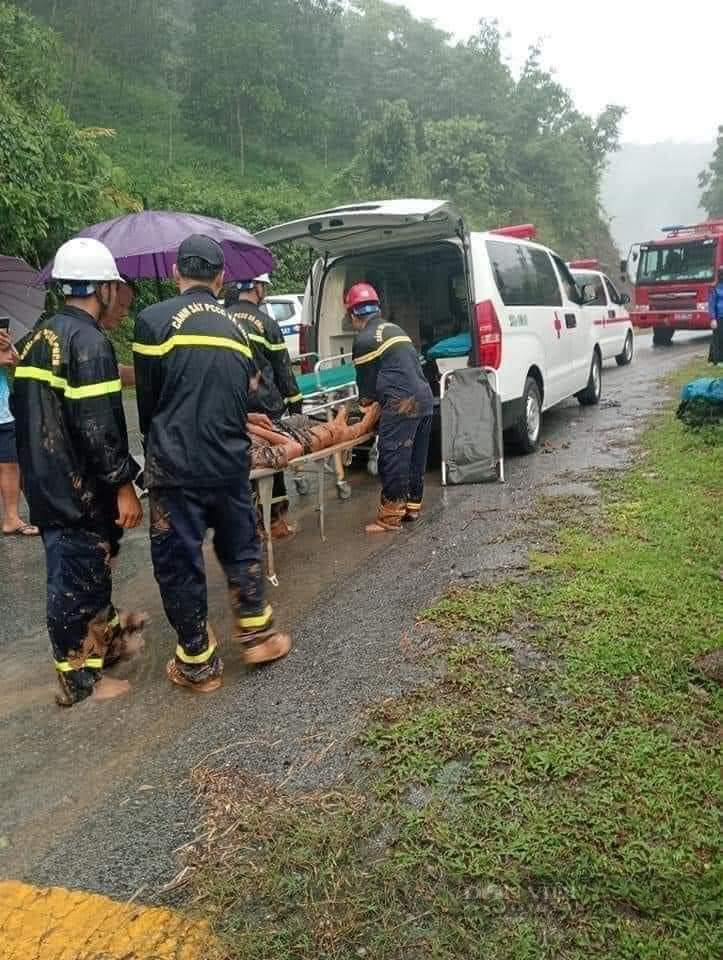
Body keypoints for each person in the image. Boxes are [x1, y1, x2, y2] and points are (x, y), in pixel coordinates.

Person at [133, 235, 291, 694]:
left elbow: (148, 402)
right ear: (222, 278)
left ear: (175, 273)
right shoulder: (238, 331)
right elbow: (244, 395)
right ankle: (259, 635)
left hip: (176, 466)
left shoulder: (153, 321)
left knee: (180, 562)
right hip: (228, 463)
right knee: (241, 548)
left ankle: (199, 665)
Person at [12, 238, 145, 706]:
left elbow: (24, 410)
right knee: (72, 586)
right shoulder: (88, 343)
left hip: (48, 483)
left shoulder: (35, 339)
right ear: (103, 287)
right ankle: (78, 682)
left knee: (88, 574)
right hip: (78, 490)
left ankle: (102, 651)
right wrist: (124, 486)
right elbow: (99, 428)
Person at [347, 283, 434, 533]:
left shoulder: (363, 340)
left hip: (402, 404)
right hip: (425, 397)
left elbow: (366, 390)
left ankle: (389, 517)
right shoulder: (393, 328)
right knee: (416, 456)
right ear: (376, 307)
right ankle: (412, 507)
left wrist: (363, 411)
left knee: (393, 454)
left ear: (353, 314)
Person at [225, 274, 303, 539]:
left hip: (234, 408)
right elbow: (283, 368)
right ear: (257, 288)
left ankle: (249, 525)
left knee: (245, 464)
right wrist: (296, 406)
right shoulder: (267, 323)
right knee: (273, 465)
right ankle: (276, 522)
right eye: (264, 286)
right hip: (266, 408)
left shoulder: (221, 319)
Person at [0, 328, 38, 536]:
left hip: (3, 410)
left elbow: (19, 364)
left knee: (11, 464)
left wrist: (8, 350)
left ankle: (12, 517)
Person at [707, 266, 723, 365]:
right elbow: (712, 304)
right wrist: (713, 318)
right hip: (719, 317)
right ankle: (717, 360)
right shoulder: (715, 288)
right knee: (717, 338)